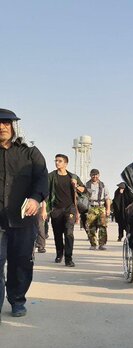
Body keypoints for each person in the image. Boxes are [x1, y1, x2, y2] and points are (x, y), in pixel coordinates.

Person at [0, 108, 48, 320]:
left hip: (23, 221)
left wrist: (36, 198)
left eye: (6, 123)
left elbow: (41, 178)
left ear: (14, 126)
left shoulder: (30, 153)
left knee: (21, 263)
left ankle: (17, 300)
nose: (2, 127)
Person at [47, 154, 86, 267]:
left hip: (70, 208)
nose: (57, 163)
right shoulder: (51, 176)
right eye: (56, 161)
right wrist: (45, 209)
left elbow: (84, 190)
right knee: (57, 233)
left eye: (60, 161)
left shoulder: (72, 176)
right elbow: (45, 192)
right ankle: (59, 253)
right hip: (56, 209)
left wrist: (76, 186)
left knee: (69, 233)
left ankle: (68, 258)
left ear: (66, 163)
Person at [84, 169, 111, 250]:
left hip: (101, 207)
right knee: (91, 226)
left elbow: (107, 198)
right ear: (90, 175)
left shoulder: (103, 185)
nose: (95, 176)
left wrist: (108, 209)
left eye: (96, 175)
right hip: (91, 207)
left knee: (103, 226)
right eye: (93, 175)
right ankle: (93, 244)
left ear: (99, 175)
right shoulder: (86, 185)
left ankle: (102, 244)